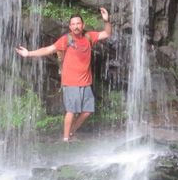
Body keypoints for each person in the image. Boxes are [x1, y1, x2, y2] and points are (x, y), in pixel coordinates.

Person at [15, 8, 111, 142]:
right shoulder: (66, 39)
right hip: (71, 82)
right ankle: (65, 139)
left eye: (78, 23)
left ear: (82, 25)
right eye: (73, 24)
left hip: (86, 81)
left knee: (87, 111)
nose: (76, 26)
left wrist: (106, 20)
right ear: (70, 27)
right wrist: (28, 53)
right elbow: (48, 49)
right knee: (71, 111)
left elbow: (106, 33)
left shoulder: (89, 36)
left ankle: (71, 132)